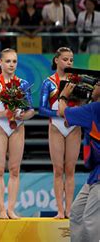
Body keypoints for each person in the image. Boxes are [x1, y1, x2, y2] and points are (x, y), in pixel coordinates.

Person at [0, 48, 35, 219]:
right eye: (8, 61)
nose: (11, 64)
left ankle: (11, 208)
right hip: (0, 127)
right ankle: (2, 209)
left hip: (17, 127)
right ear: (0, 62)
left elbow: (31, 110)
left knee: (14, 169)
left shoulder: (23, 84)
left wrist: (23, 115)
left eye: (14, 61)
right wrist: (1, 114)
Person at [39, 47, 81, 218]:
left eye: (71, 60)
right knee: (58, 170)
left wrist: (78, 110)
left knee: (70, 170)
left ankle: (69, 210)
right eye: (65, 59)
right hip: (56, 126)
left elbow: (85, 100)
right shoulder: (48, 82)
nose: (69, 62)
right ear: (56, 60)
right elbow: (41, 109)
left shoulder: (76, 81)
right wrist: (56, 113)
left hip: (73, 126)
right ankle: (60, 210)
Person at [58, 83, 100, 242]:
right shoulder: (92, 109)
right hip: (94, 175)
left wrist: (64, 94)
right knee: (76, 212)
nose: (92, 88)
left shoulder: (95, 108)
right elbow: (72, 121)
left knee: (90, 220)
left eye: (96, 85)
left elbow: (63, 112)